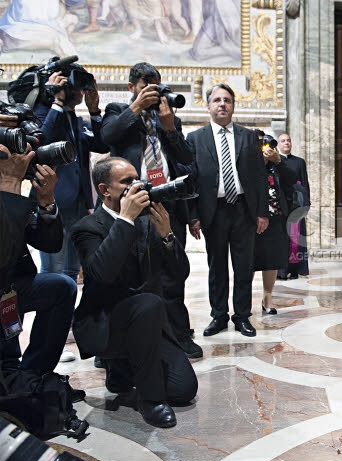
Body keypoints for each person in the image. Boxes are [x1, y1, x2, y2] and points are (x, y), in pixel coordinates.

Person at [71, 157, 198, 428]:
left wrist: (167, 237)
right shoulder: (87, 228)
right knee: (149, 303)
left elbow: (178, 275)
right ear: (105, 190)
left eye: (137, 178)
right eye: (127, 182)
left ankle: (122, 369)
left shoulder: (148, 222)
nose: (137, 185)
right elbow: (102, 273)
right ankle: (150, 400)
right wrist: (126, 219)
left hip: (149, 325)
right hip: (109, 323)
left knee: (183, 390)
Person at [101, 62, 201, 359]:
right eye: (146, 87)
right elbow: (108, 136)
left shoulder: (168, 118)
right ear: (131, 86)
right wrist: (135, 108)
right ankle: (113, 343)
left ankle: (179, 334)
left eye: (156, 87)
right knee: (125, 272)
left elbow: (186, 160)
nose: (152, 93)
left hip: (165, 201)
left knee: (173, 272)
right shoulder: (117, 110)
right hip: (130, 202)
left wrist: (170, 130)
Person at [185, 84, 268, 338]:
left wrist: (262, 212)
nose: (222, 104)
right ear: (208, 106)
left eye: (227, 100)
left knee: (244, 267)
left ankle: (242, 316)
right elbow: (191, 179)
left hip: (243, 209)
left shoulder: (248, 136)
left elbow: (258, 177)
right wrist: (193, 216)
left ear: (233, 105)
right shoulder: (195, 139)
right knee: (216, 267)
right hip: (213, 211)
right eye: (217, 100)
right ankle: (218, 316)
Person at [0, 142, 77, 381]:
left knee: (62, 288)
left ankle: (35, 375)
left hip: (11, 286)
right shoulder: (8, 186)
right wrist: (11, 185)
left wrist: (46, 201)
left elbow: (49, 244)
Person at [34, 65, 110, 282]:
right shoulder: (42, 112)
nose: (80, 91)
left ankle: (65, 316)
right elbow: (41, 141)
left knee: (71, 270)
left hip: (77, 202)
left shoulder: (76, 121)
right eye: (75, 85)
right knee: (52, 271)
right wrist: (56, 102)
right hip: (52, 200)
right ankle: (50, 316)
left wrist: (94, 110)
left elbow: (101, 144)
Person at [252, 131, 296, 314]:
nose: (265, 148)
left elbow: (292, 179)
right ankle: (243, 301)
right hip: (252, 219)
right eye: (260, 144)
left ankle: (267, 299)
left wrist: (278, 160)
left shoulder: (277, 165)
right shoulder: (248, 164)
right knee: (249, 260)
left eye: (267, 144)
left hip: (276, 217)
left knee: (271, 260)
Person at [276, 133, 310, 280]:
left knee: (296, 238)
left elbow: (305, 184)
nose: (286, 143)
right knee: (281, 238)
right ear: (278, 144)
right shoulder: (274, 161)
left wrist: (306, 204)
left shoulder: (299, 162)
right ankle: (281, 271)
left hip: (296, 205)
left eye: (288, 140)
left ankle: (296, 269)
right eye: (283, 141)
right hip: (280, 205)